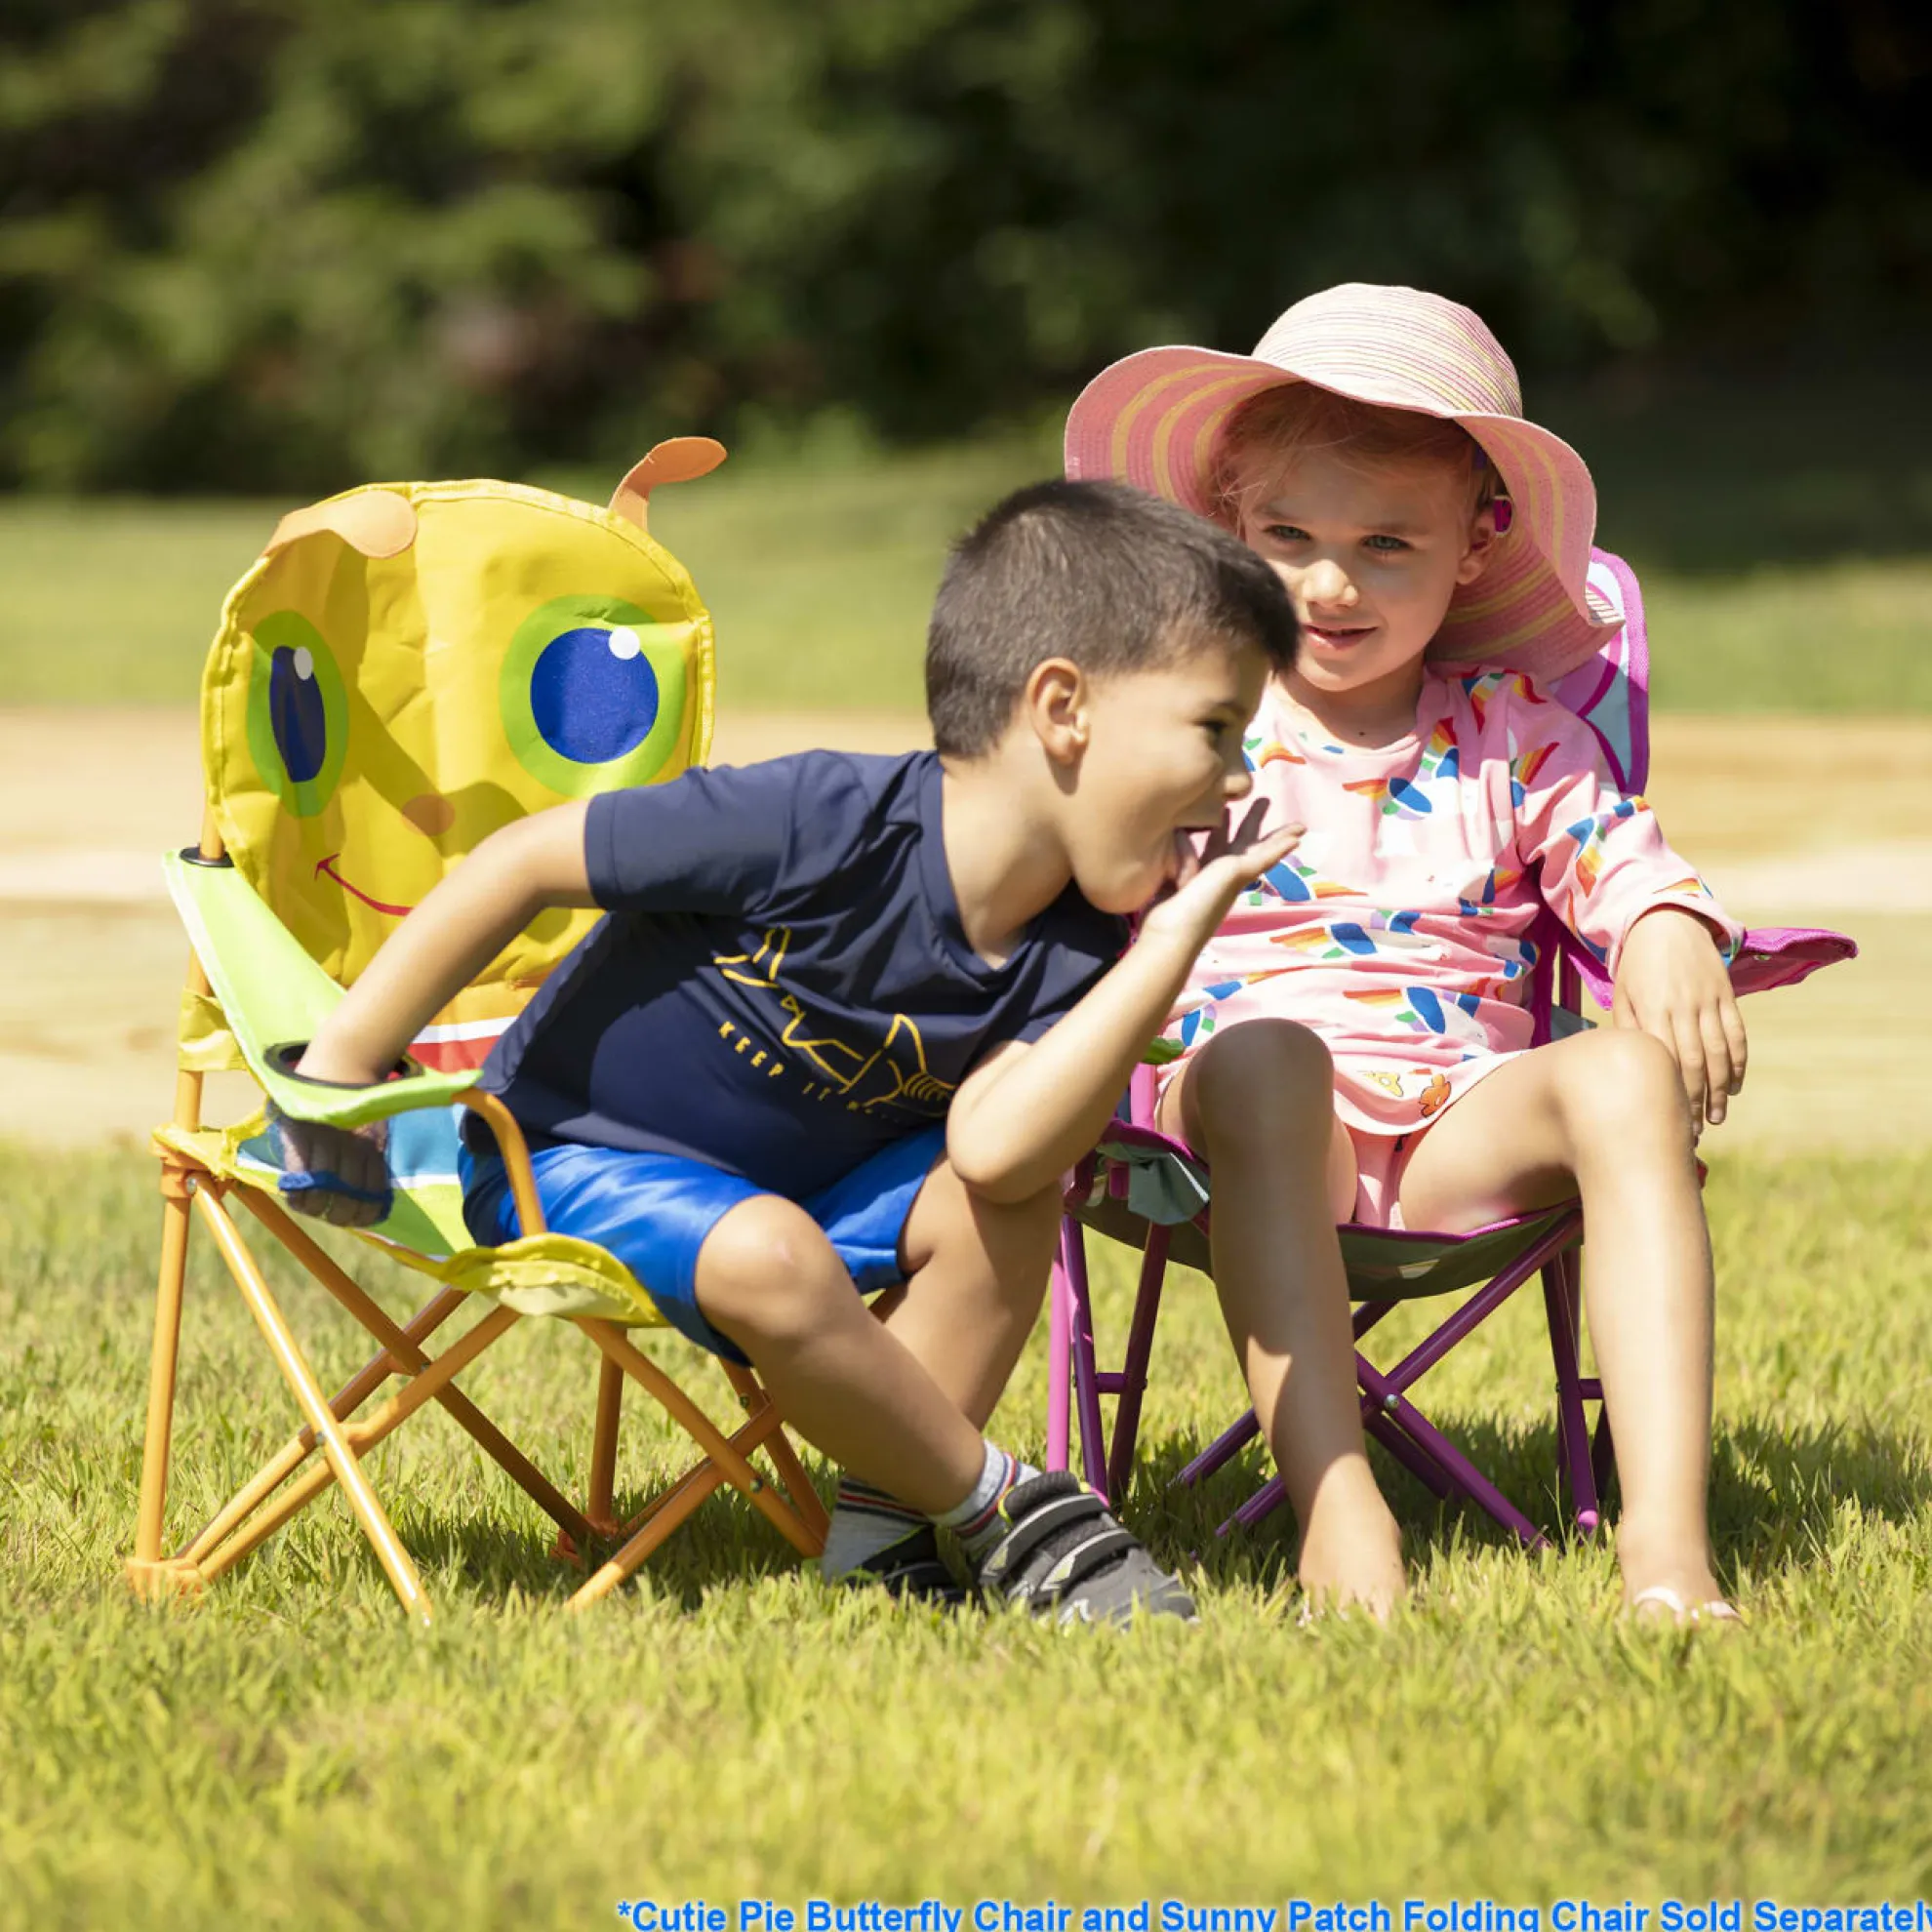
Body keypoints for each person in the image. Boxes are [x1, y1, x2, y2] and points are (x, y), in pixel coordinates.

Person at [269, 478, 1302, 1625]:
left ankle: (882, 1534)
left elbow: (1003, 1157)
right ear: (1064, 709)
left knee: (992, 1198)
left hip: (804, 1206)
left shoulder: (1082, 948)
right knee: (772, 1252)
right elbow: (519, 862)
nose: (1240, 781)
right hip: (563, 1162)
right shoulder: (819, 820)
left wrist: (1165, 946)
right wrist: (340, 1073)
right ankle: (1000, 1508)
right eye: (1217, 730)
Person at [1065, 283, 1749, 1628]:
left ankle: (1667, 1545)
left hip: (1457, 1127)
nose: (1331, 583)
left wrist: (1665, 926)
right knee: (1268, 1061)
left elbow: (1618, 856)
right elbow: (1077, 874)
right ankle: (1339, 1510)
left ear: (1474, 553)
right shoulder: (1193, 722)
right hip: (1243, 1126)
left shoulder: (1516, 731)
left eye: (1388, 544)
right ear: (1226, 533)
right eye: (1289, 537)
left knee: (1621, 1077)